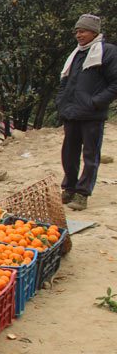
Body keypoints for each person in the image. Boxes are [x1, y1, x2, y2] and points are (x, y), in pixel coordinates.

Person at [56, 13, 117, 211]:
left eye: (82, 31)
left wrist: (96, 102)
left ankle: (82, 193)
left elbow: (115, 84)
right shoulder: (76, 54)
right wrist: (61, 102)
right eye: (77, 31)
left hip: (92, 114)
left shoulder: (107, 52)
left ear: (94, 32)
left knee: (90, 155)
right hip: (72, 112)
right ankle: (69, 187)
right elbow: (65, 81)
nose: (78, 35)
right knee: (68, 154)